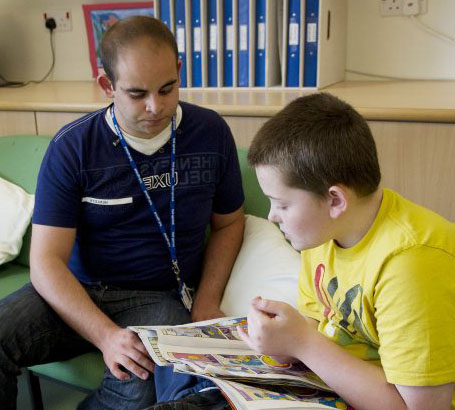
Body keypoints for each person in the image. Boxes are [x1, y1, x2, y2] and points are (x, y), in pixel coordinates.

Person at [0, 16, 244, 410]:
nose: (155, 107)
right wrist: (105, 336)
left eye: (167, 89)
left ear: (179, 71)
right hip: (75, 291)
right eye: (136, 93)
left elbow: (230, 223)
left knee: (139, 392)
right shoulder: (73, 147)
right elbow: (46, 263)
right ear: (106, 86)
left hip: (156, 299)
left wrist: (207, 300)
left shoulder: (210, 132)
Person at [239, 92, 455, 410]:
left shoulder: (411, 263)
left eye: (282, 204)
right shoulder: (323, 234)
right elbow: (319, 321)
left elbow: (421, 408)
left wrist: (303, 343)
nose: (272, 216)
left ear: (336, 200)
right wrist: (283, 341)